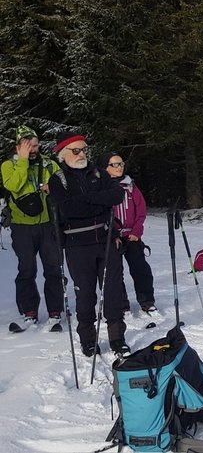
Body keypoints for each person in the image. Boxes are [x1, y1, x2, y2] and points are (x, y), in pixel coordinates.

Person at [47, 132, 129, 356]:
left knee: (112, 291)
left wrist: (86, 200)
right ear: (64, 154)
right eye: (76, 150)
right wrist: (97, 201)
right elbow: (68, 209)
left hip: (106, 239)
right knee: (85, 294)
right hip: (76, 244)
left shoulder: (98, 173)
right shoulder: (58, 180)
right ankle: (88, 339)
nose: (82, 153)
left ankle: (117, 338)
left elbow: (116, 196)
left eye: (84, 149)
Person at [1, 126, 64, 330]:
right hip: (22, 226)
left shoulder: (48, 164)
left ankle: (55, 310)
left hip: (48, 224)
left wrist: (52, 187)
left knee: (53, 268)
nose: (34, 149)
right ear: (18, 146)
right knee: (26, 269)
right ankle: (29, 311)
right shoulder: (8, 165)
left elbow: (64, 184)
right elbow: (14, 186)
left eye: (36, 145)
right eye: (29, 146)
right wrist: (23, 161)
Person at [99, 152, 156, 313]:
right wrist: (112, 232)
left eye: (121, 164)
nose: (119, 167)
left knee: (141, 269)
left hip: (132, 235)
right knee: (114, 272)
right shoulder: (102, 186)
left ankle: (147, 301)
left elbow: (141, 210)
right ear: (106, 168)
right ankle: (121, 304)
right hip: (111, 236)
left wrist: (137, 230)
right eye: (114, 165)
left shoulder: (130, 185)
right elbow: (101, 211)